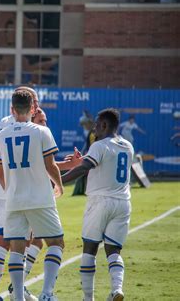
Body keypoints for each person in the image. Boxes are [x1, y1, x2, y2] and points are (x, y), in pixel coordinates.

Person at [0, 89, 64, 301]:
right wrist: (59, 185)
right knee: (56, 243)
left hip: (14, 200)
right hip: (40, 198)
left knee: (17, 249)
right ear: (33, 109)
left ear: (12, 110)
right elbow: (50, 165)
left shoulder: (2, 135)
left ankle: (18, 297)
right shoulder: (41, 131)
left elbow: (0, 172)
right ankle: (47, 294)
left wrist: (11, 190)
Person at [62, 109, 134, 301]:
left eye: (96, 124)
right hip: (123, 203)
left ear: (104, 125)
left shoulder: (99, 145)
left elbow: (84, 168)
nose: (93, 128)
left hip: (100, 201)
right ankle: (117, 289)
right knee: (114, 250)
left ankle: (88, 298)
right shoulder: (128, 146)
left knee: (89, 249)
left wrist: (57, 181)